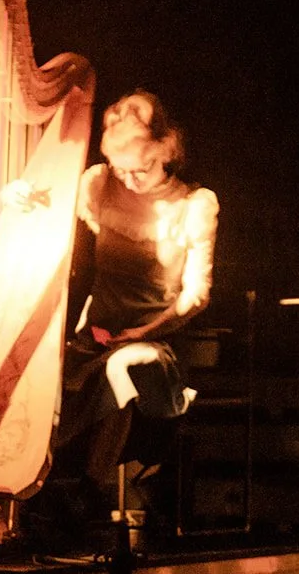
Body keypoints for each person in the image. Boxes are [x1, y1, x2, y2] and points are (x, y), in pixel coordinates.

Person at [46, 90, 218, 535]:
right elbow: (48, 208)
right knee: (40, 370)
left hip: (158, 342)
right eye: (121, 169)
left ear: (166, 152)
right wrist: (23, 196)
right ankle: (39, 484)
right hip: (96, 336)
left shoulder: (194, 206)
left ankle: (89, 490)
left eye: (139, 169)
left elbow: (196, 296)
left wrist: (144, 331)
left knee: (125, 364)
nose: (129, 180)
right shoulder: (101, 185)